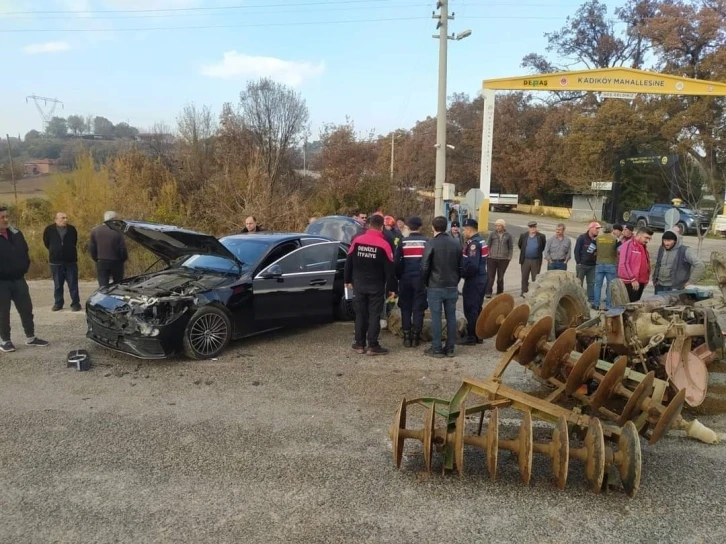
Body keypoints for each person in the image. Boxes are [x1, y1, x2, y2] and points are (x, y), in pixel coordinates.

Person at [344, 214, 396, 355]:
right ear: (381, 227)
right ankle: (373, 346)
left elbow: (349, 261)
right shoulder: (384, 244)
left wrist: (347, 280)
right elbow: (390, 269)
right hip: (376, 285)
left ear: (368, 225)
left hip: (359, 284)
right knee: (374, 315)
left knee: (360, 314)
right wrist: (392, 288)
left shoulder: (357, 240)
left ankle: (359, 344)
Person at [0, 206, 49, 352]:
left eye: (6, 216)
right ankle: (5, 341)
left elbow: (25, 251)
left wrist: (24, 266)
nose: (6, 220)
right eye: (2, 217)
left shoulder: (16, 233)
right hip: (1, 282)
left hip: (19, 278)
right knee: (3, 312)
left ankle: (31, 337)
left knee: (26, 309)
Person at [421, 216, 463, 358]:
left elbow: (425, 266)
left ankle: (437, 348)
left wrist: (425, 282)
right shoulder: (456, 243)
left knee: (436, 317)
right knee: (451, 317)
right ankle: (450, 348)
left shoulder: (431, 243)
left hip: (435, 285)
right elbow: (461, 265)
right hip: (451, 285)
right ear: (446, 227)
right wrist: (456, 281)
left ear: (433, 227)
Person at [394, 216, 428, 348]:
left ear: (408, 227)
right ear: (420, 227)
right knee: (418, 308)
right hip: (420, 280)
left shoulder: (403, 242)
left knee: (406, 307)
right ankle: (416, 337)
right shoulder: (426, 242)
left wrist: (399, 276)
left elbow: (396, 262)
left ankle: (406, 337)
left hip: (405, 279)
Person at [43, 211, 81, 311]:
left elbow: (74, 241)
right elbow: (46, 242)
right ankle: (58, 303)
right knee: (58, 285)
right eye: (63, 218)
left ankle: (75, 303)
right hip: (56, 262)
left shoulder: (72, 229)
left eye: (66, 218)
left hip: (70, 261)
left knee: (73, 284)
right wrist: (55, 250)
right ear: (56, 219)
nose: (65, 220)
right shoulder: (49, 229)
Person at [459, 218, 488, 345]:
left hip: (474, 280)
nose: (463, 232)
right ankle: (477, 334)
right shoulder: (481, 240)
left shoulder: (474, 244)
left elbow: (472, 266)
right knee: (477, 308)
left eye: (464, 229)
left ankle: (471, 336)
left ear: (469, 229)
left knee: (471, 308)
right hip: (481, 278)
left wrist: (461, 274)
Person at [652, 229, 705, 294]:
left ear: (676, 241)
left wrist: (691, 282)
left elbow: (700, 265)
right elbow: (658, 264)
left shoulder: (685, 250)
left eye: (669, 240)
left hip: (675, 288)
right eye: (664, 240)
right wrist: (654, 279)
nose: (666, 243)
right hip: (659, 286)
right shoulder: (662, 248)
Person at [90, 211, 129, 288]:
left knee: (103, 286)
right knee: (118, 286)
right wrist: (122, 260)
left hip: (101, 262)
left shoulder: (95, 231)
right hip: (116, 262)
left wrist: (97, 259)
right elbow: (122, 249)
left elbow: (92, 248)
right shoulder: (118, 231)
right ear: (113, 219)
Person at [618, 227, 653, 302]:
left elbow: (646, 263)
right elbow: (623, 263)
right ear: (639, 235)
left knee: (636, 306)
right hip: (631, 282)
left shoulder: (643, 247)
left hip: (641, 282)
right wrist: (632, 279)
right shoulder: (628, 245)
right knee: (629, 306)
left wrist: (646, 279)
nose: (647, 240)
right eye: (646, 238)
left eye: (649, 239)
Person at [574, 222, 601, 306]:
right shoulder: (582, 238)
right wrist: (578, 262)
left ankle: (591, 300)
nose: (598, 230)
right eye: (596, 228)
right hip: (582, 265)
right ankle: (578, 299)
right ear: (590, 228)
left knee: (591, 283)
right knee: (579, 283)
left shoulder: (598, 239)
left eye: (599, 229)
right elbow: (576, 251)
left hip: (592, 266)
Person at [517, 221, 546, 296]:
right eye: (531, 227)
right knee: (524, 277)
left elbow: (542, 247)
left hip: (536, 260)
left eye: (534, 227)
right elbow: (520, 245)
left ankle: (534, 293)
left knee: (535, 277)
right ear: (528, 228)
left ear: (536, 227)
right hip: (525, 260)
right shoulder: (523, 235)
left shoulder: (541, 236)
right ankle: (524, 291)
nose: (533, 228)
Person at [485, 219, 513, 298]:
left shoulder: (508, 235)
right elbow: (488, 245)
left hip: (503, 259)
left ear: (503, 226)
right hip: (492, 259)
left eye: (499, 225)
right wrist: (488, 255)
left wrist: (509, 257)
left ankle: (500, 292)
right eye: (496, 225)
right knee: (490, 277)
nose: (498, 227)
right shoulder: (492, 234)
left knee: (500, 277)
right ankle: (488, 292)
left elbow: (510, 247)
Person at [593, 224, 619, 309]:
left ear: (603, 230)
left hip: (599, 263)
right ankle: (608, 306)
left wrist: (597, 253)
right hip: (611, 264)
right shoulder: (615, 239)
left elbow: (590, 250)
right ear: (612, 230)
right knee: (610, 286)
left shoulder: (597, 238)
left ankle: (596, 304)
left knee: (597, 285)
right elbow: (621, 250)